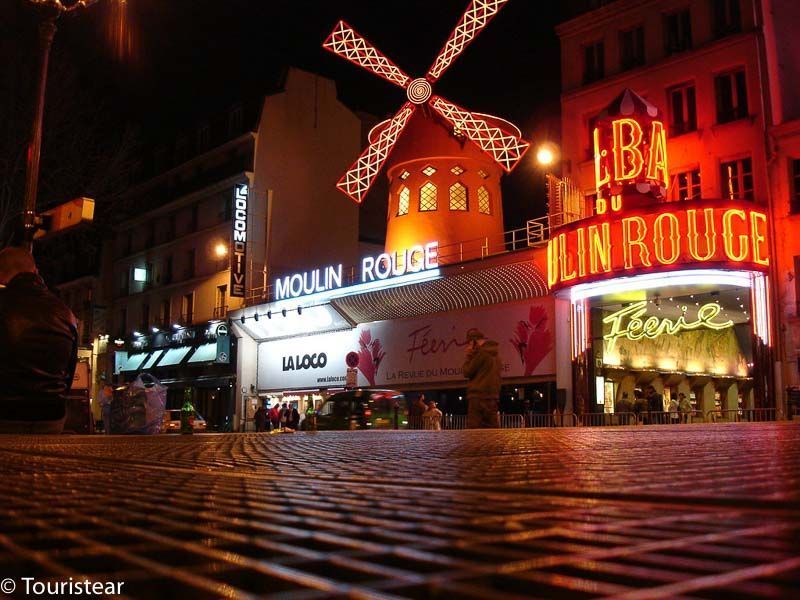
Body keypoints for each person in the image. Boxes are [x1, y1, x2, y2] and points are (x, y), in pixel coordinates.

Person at [0, 247, 78, 434]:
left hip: (5, 412)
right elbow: (69, 370)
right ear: (35, 271)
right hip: (51, 414)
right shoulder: (64, 312)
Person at [463, 328, 502, 428]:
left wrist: (469, 356)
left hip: (478, 397)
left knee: (473, 431)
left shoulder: (481, 353)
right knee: (492, 430)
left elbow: (467, 371)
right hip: (492, 397)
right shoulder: (496, 355)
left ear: (474, 342)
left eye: (469, 343)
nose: (468, 346)